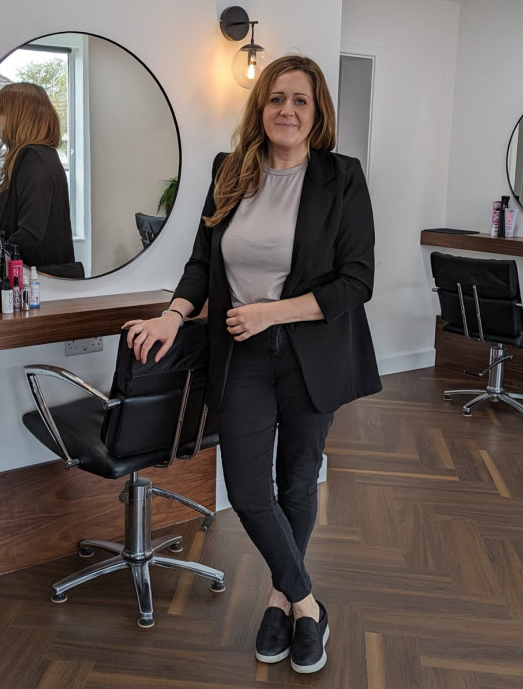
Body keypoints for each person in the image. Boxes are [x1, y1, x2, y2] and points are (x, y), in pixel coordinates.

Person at [123, 55, 380, 673]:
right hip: (241, 354)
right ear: (260, 107)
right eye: (276, 98)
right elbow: (201, 262)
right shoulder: (230, 170)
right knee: (245, 488)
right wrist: (173, 315)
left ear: (317, 114)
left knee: (297, 480)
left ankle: (277, 600)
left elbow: (357, 282)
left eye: (300, 100)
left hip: (312, 354)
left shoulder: (341, 177)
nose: (287, 110)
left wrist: (272, 313)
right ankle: (307, 602)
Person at [0, 82, 83, 278]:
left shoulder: (33, 159)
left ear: (18, 116)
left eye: (2, 112)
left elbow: (30, 234)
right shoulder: (42, 156)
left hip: (35, 284)